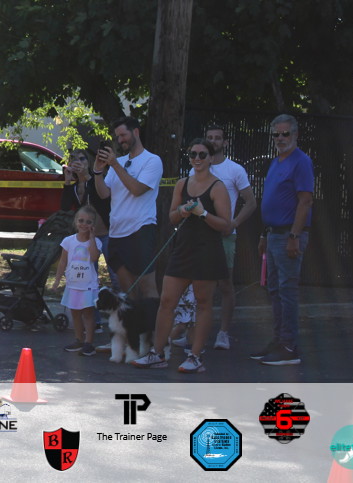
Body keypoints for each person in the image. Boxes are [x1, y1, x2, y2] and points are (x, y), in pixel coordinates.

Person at [132, 138, 232, 373]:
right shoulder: (182, 184)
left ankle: (195, 356)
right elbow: (172, 217)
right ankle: (157, 353)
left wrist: (203, 213)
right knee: (167, 301)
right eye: (193, 154)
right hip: (183, 249)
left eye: (202, 154)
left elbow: (226, 225)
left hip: (207, 251)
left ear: (211, 158)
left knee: (203, 303)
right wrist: (182, 211)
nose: (197, 159)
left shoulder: (218, 187)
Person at [251, 113, 313, 366]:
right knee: (275, 290)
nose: (280, 138)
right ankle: (279, 340)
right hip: (273, 234)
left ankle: (289, 346)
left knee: (287, 291)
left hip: (289, 234)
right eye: (276, 134)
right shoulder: (276, 162)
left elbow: (305, 200)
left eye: (285, 133)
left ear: (295, 134)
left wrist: (294, 236)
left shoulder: (301, 162)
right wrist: (264, 234)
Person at [189, 123, 258, 350]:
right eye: (209, 137)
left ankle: (224, 333)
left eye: (217, 138)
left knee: (225, 284)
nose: (213, 141)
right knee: (197, 284)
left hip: (224, 235)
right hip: (199, 235)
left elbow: (251, 202)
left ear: (225, 142)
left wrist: (234, 223)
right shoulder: (196, 168)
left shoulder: (234, 170)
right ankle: (193, 332)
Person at [93, 116, 163, 299]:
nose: (120, 140)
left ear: (136, 132)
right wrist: (98, 172)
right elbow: (104, 194)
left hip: (140, 231)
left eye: (123, 135)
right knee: (127, 290)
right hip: (116, 233)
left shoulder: (152, 160)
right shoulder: (119, 161)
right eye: (117, 137)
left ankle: (152, 319)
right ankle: (134, 318)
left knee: (147, 287)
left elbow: (137, 190)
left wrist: (115, 164)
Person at [50, 205, 103, 356]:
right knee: (75, 313)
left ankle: (89, 342)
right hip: (73, 284)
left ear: (93, 225)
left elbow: (94, 258)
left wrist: (92, 238)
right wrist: (57, 280)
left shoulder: (96, 242)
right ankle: (78, 339)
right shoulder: (68, 241)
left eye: (88, 222)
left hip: (88, 285)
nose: (84, 224)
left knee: (88, 314)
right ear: (75, 221)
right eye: (81, 220)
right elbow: (63, 262)